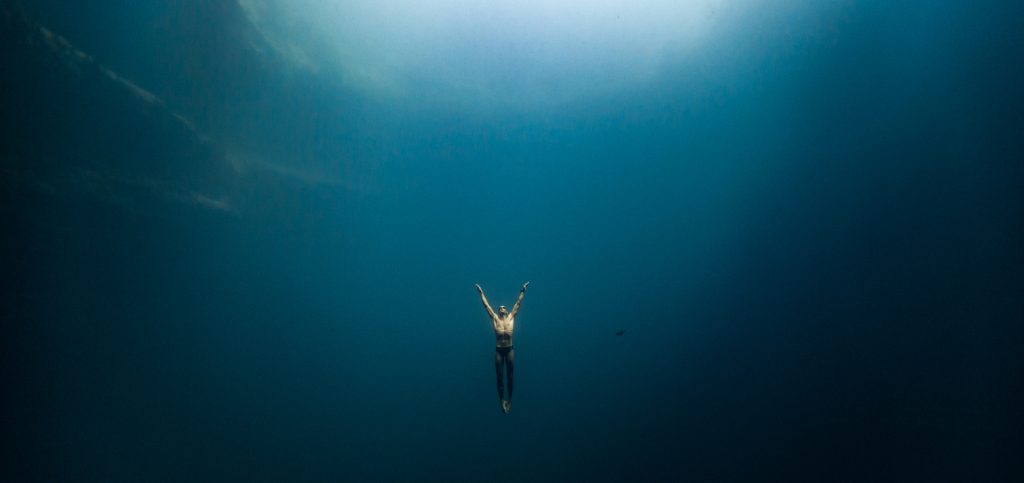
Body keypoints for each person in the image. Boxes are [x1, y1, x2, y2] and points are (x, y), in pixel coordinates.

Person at [475, 282, 529, 414]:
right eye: (500, 307)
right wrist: (481, 292)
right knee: (499, 377)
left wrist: (523, 290)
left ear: (506, 310)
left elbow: (518, 303)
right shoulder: (495, 319)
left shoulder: (511, 317)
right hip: (499, 351)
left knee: (510, 376)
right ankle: (501, 401)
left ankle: (509, 400)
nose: (502, 308)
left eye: (504, 307)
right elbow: (486, 305)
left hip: (510, 349)